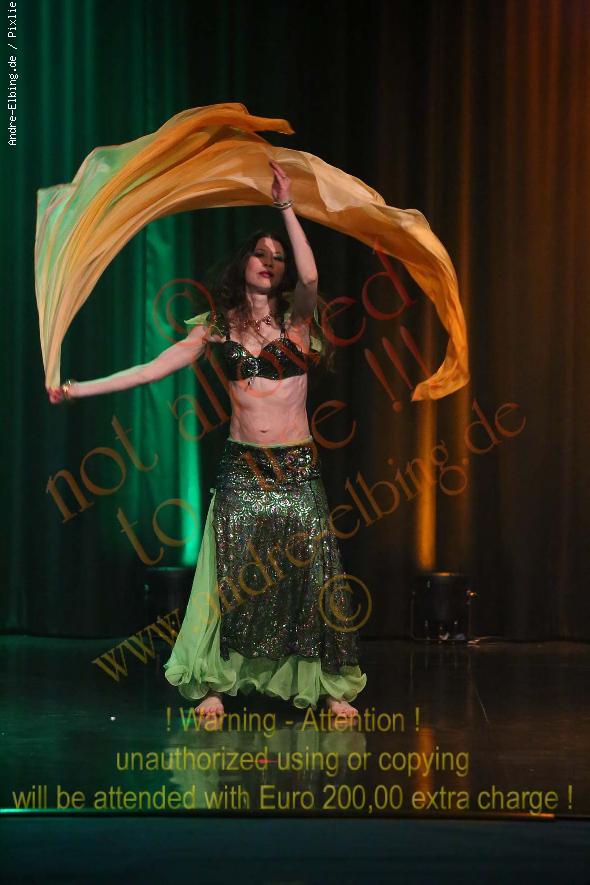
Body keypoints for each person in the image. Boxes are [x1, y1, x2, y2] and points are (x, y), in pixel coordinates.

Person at [48, 159, 367, 721]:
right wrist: (75, 389)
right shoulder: (217, 327)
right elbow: (151, 369)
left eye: (277, 257)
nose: (269, 263)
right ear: (243, 263)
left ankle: (329, 685)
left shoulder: (297, 323)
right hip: (243, 469)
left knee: (311, 573)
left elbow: (313, 279)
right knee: (228, 580)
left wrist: (286, 206)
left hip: (296, 469)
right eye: (260, 253)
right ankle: (214, 682)